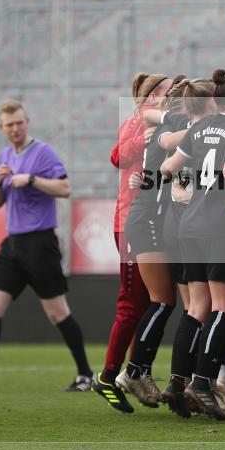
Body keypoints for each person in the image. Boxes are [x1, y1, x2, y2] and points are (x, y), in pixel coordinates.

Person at [0, 100, 91, 392]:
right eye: (9, 125)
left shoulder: (44, 152)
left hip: (40, 242)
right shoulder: (4, 156)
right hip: (12, 244)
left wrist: (32, 180)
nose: (15, 128)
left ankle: (85, 375)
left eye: (19, 123)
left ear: (27, 122)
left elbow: (65, 188)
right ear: (1, 127)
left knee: (57, 312)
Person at [160, 69, 225, 421]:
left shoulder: (201, 127)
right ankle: (201, 383)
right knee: (223, 309)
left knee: (196, 307)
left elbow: (168, 167)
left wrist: (195, 184)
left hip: (190, 226)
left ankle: (176, 382)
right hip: (221, 227)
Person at [93, 73, 171, 413]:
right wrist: (145, 141)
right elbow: (117, 155)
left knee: (148, 302)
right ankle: (109, 376)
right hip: (130, 223)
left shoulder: (159, 122)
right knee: (132, 304)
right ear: (150, 95)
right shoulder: (138, 122)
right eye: (166, 91)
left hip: (149, 220)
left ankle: (136, 371)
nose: (173, 96)